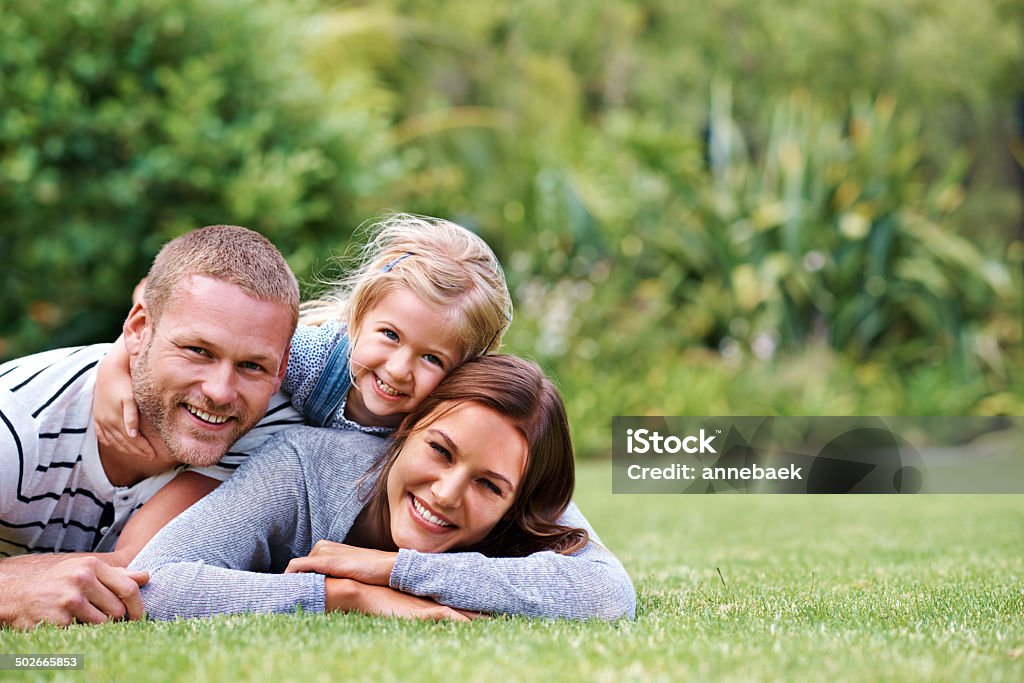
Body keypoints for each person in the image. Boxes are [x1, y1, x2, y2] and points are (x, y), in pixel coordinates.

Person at [130, 356, 635, 621]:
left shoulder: (530, 487)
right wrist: (341, 595)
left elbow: (608, 594)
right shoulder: (303, 465)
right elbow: (154, 585)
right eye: (440, 450)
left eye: (488, 486)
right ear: (407, 426)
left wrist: (390, 569)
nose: (445, 493)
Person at [0, 225, 304, 628]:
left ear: (281, 369)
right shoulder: (19, 420)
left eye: (252, 365)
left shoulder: (273, 433)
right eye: (198, 351)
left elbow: (138, 568)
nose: (220, 392)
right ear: (139, 329)